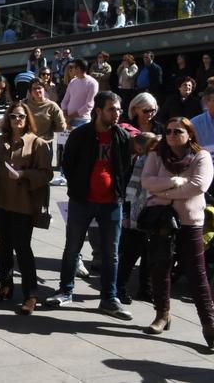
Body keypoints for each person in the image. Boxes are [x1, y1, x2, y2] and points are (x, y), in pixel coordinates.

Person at [46, 91, 134, 320]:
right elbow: (68, 163)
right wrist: (76, 189)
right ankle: (65, 291)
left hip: (111, 204)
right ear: (98, 111)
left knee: (111, 254)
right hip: (82, 201)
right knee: (73, 248)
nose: (117, 114)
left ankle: (109, 298)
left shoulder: (122, 137)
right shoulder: (81, 135)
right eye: (112, 109)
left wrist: (118, 193)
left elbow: (125, 168)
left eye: (118, 110)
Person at [139, 117, 214, 348]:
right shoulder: (156, 154)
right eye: (168, 131)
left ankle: (209, 324)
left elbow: (198, 186)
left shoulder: (201, 157)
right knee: (160, 268)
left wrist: (164, 192)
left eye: (177, 131)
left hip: (190, 222)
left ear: (189, 134)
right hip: (161, 220)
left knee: (197, 274)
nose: (171, 135)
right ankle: (162, 314)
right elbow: (146, 181)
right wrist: (173, 181)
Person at [0, 101, 52, 315]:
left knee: (23, 249)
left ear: (27, 119)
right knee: (3, 245)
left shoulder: (38, 143)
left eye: (21, 116)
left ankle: (31, 294)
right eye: (13, 116)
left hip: (23, 205)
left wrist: (23, 174)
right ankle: (5, 286)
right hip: (1, 201)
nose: (17, 120)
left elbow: (46, 174)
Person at [117, 132, 159, 305]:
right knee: (129, 255)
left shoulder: (161, 162)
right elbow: (129, 190)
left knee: (149, 255)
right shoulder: (139, 162)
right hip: (136, 214)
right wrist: (126, 215)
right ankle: (119, 288)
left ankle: (145, 289)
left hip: (154, 214)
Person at [61, 58, 99, 129]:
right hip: (68, 121)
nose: (70, 69)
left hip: (82, 121)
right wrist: (66, 118)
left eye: (72, 67)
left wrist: (69, 117)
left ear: (78, 68)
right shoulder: (72, 81)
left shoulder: (93, 83)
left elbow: (89, 105)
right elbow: (64, 101)